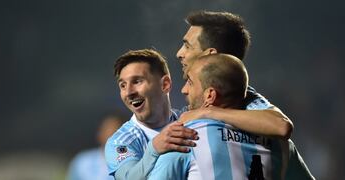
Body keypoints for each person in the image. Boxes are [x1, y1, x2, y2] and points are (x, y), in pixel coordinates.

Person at [105, 49, 291, 179]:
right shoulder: (121, 141)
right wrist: (154, 148)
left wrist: (209, 111)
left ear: (165, 84)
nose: (128, 92)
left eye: (137, 81)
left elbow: (280, 124)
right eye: (122, 85)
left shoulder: (194, 128)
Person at [148, 54, 314, 180]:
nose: (184, 89)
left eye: (190, 82)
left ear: (210, 96)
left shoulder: (187, 137)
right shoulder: (282, 146)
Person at [176, 10, 293, 139]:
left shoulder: (246, 99)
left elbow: (281, 126)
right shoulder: (192, 96)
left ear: (211, 55)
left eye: (187, 46)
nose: (179, 53)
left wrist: (208, 112)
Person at [67, 115, 125, 180]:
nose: (110, 134)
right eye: (107, 130)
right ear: (99, 133)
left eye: (115, 130)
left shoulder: (130, 164)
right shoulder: (82, 161)